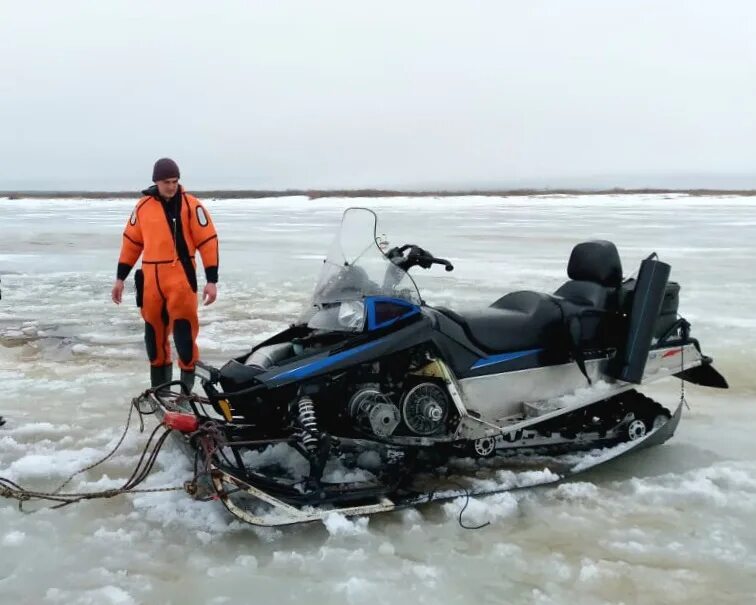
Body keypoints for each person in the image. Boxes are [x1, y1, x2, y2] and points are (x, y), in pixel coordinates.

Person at [111, 158, 219, 392]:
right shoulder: (143, 207)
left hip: (181, 280)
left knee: (184, 337)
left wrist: (212, 280)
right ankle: (160, 390)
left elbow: (208, 241)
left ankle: (185, 393)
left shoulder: (192, 206)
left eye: (175, 181)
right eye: (166, 182)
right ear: (156, 182)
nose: (171, 186)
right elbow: (131, 243)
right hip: (151, 282)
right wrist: (120, 278)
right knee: (154, 337)